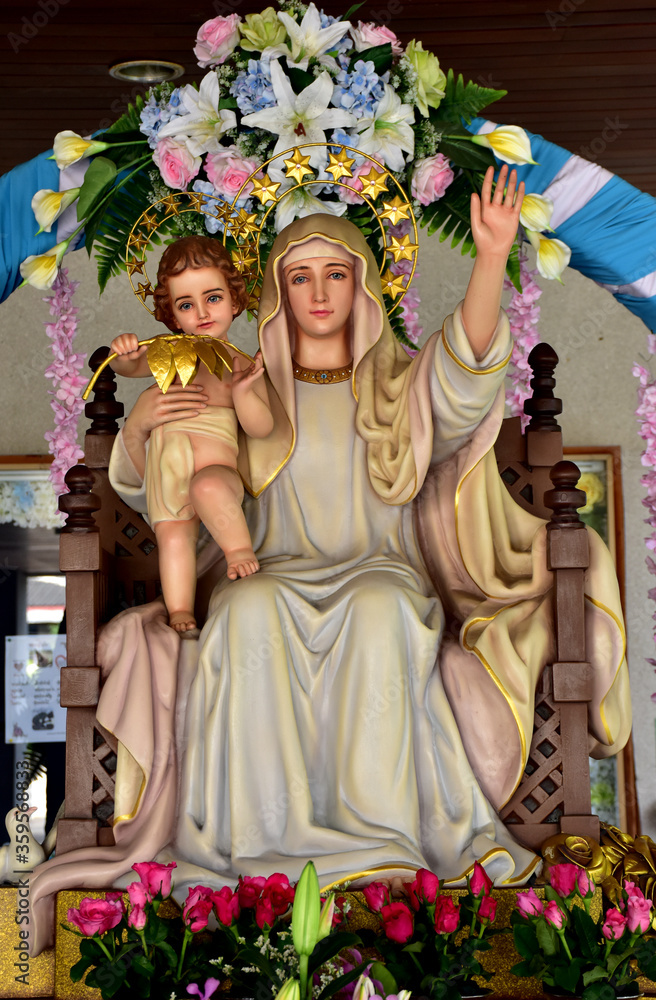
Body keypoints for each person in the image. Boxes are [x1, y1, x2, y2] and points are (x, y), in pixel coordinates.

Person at [28, 168, 630, 949]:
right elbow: (173, 481)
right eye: (300, 277)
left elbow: (465, 375)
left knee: (380, 615)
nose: (319, 294)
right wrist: (142, 425)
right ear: (276, 294)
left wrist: (490, 261)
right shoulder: (243, 382)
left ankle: (379, 847)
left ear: (364, 287)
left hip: (380, 573)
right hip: (266, 570)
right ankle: (250, 854)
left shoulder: (395, 387)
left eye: (336, 275)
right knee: (245, 614)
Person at [109, 236, 273, 634]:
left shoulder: (240, 364)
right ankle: (180, 610)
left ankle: (238, 550)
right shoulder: (168, 351)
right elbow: (129, 368)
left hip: (216, 464)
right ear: (172, 315)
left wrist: (243, 392)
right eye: (186, 304)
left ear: (235, 301)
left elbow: (262, 426)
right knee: (174, 538)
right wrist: (125, 353)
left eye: (213, 298)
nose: (201, 312)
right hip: (168, 462)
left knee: (210, 487)